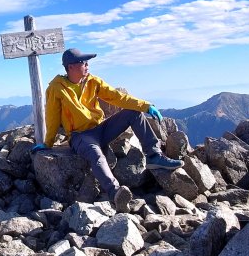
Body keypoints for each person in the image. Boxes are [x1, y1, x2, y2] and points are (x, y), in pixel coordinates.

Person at [31, 47, 183, 207]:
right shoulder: (56, 88)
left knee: (134, 113)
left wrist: (145, 106)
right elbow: (52, 117)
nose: (87, 66)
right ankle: (116, 193)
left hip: (101, 129)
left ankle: (154, 156)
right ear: (71, 67)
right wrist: (48, 143)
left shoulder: (93, 81)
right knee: (96, 155)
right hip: (80, 136)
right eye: (84, 62)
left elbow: (117, 97)